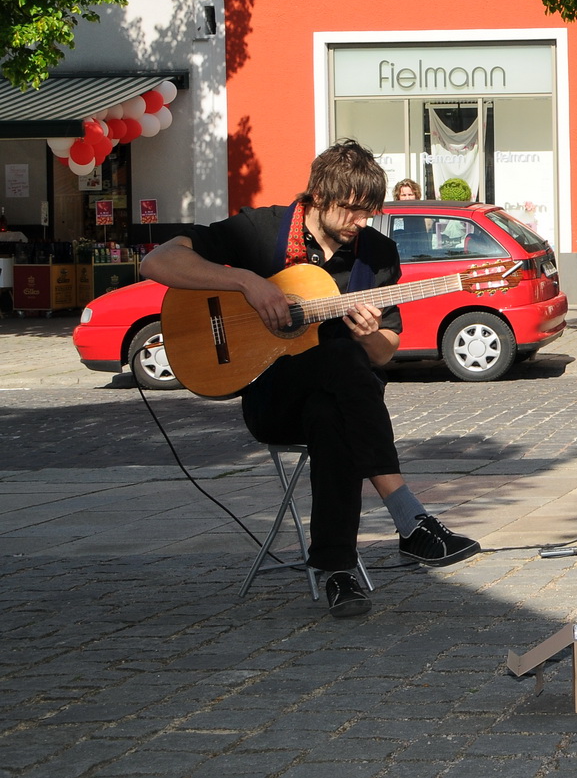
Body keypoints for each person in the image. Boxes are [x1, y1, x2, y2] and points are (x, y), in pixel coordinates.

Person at [142, 141, 479, 618]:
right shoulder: (260, 232)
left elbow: (385, 351)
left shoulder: (375, 253)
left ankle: (337, 572)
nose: (362, 222)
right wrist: (247, 282)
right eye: (353, 211)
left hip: (337, 401)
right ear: (319, 195)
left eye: (370, 212)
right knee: (339, 363)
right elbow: (156, 262)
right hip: (269, 399)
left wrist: (368, 337)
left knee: (334, 400)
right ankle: (410, 519)